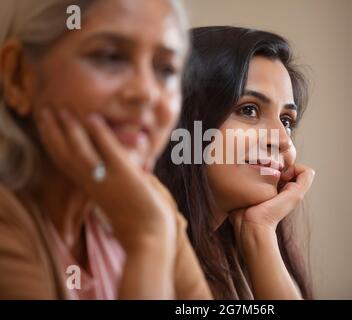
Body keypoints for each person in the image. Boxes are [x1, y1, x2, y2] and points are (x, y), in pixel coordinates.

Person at [0, 0, 211, 299]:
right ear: (19, 76)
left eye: (166, 69)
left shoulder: (148, 200)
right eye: (110, 57)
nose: (146, 92)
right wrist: (147, 239)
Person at [156, 26, 316, 300]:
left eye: (286, 120)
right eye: (249, 109)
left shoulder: (227, 255)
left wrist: (260, 233)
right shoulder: (135, 254)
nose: (282, 140)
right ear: (183, 122)